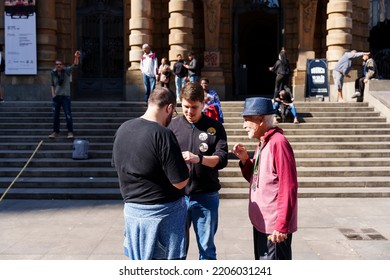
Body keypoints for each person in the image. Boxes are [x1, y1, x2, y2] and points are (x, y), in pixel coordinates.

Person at [112, 87, 189, 260]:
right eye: (174, 111)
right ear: (169, 108)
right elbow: (180, 182)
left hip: (132, 213)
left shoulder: (123, 128)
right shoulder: (163, 134)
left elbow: (119, 166)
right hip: (162, 217)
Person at [232, 97, 298, 260]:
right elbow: (257, 179)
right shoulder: (263, 142)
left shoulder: (278, 143)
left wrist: (281, 226)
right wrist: (246, 160)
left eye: (247, 120)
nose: (244, 125)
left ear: (260, 119)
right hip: (262, 223)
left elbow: (288, 186)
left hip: (274, 227)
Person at [168, 82, 228, 260]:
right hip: (177, 197)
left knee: (206, 248)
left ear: (203, 103)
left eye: (194, 107)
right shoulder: (172, 127)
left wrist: (199, 159)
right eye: (185, 107)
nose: (189, 112)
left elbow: (222, 159)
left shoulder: (215, 127)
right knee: (176, 250)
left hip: (205, 196)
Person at [48, 50, 80, 139]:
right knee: (55, 116)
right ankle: (55, 132)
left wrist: (76, 57)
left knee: (68, 115)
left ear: (62, 65)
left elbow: (75, 66)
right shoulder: (53, 73)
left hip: (65, 97)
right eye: (57, 64)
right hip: (56, 97)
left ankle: (70, 132)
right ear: (55, 66)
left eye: (60, 64)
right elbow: (52, 84)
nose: (58, 66)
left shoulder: (66, 71)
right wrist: (53, 94)